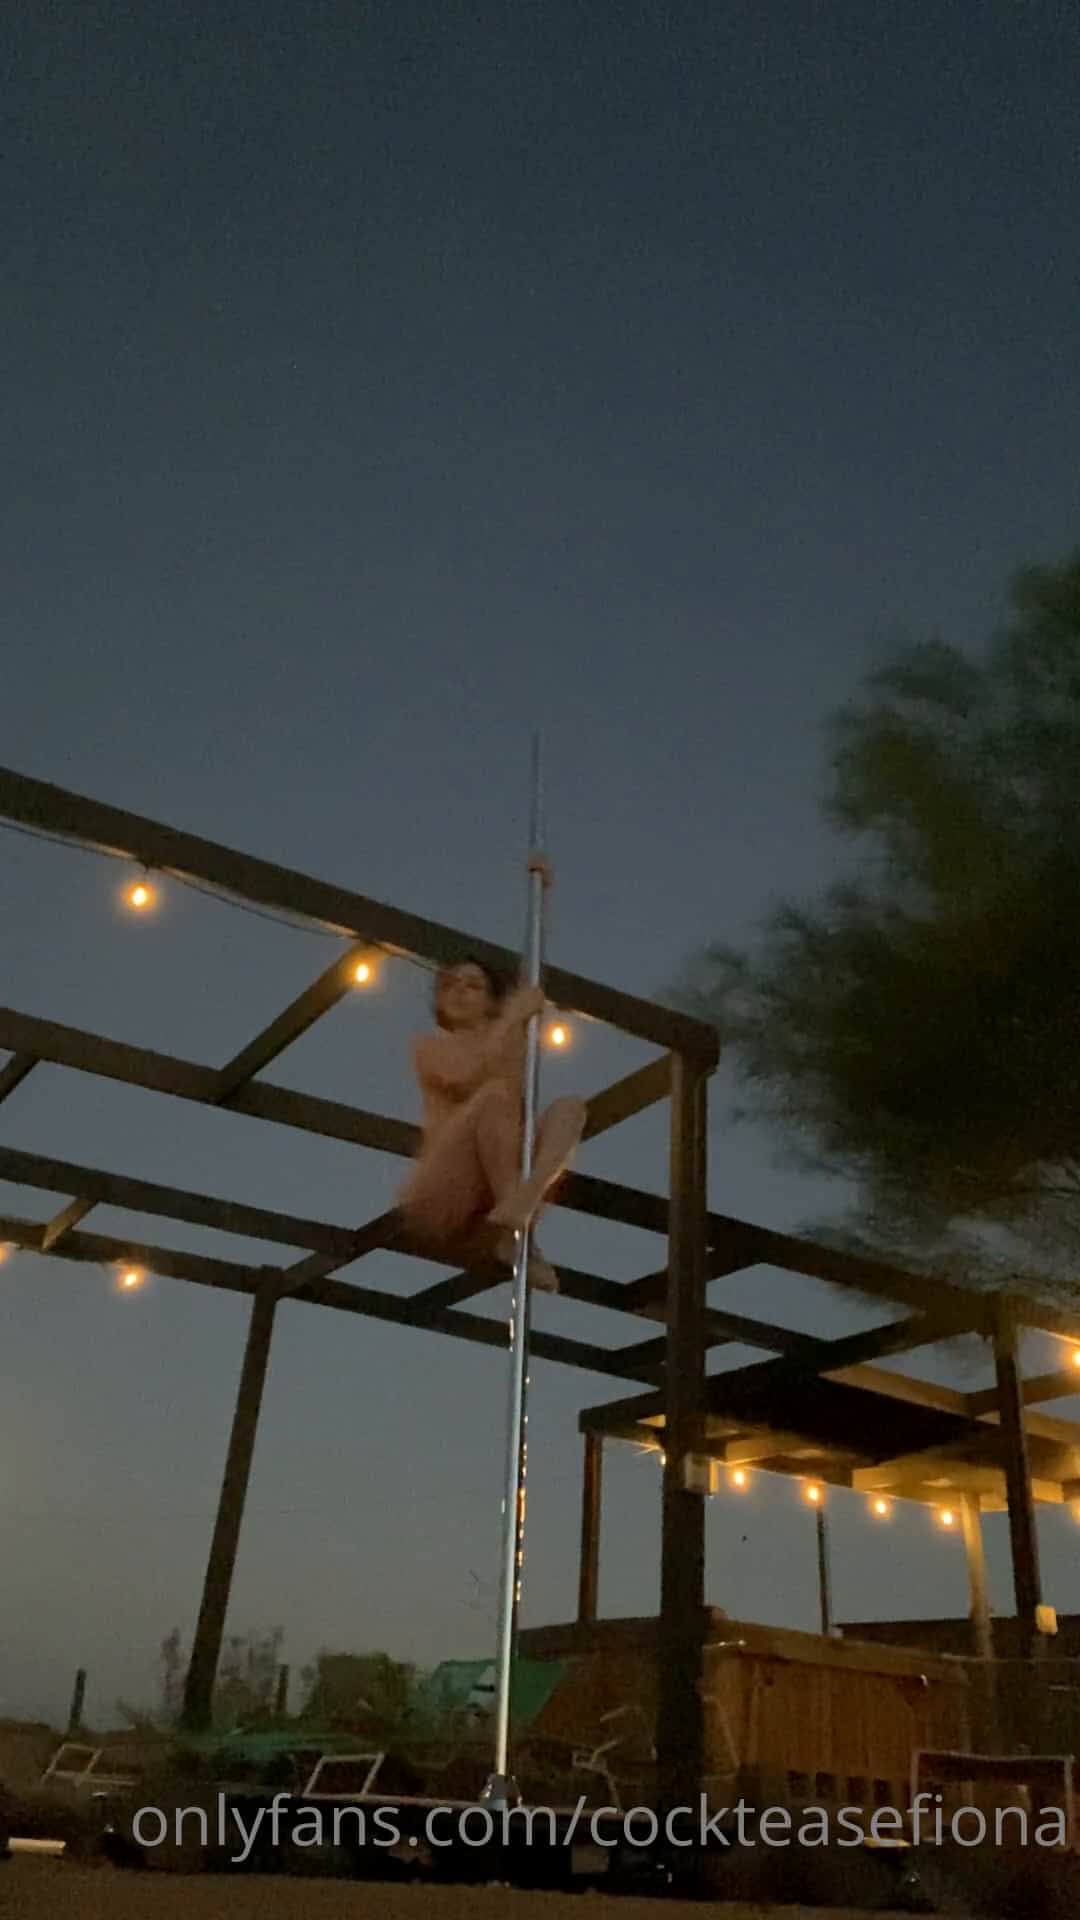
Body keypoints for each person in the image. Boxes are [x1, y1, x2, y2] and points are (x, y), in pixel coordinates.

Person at [397, 956, 586, 1293]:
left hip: (498, 1192)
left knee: (570, 1109)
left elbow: (512, 1091)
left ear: (492, 1001)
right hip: (450, 1185)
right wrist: (513, 1018)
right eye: (450, 985)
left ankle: (523, 1206)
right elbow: (467, 1076)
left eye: (473, 986)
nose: (459, 992)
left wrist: (515, 1025)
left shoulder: (510, 1043)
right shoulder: (429, 1046)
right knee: (494, 1096)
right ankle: (521, 1232)